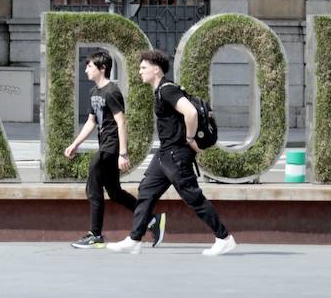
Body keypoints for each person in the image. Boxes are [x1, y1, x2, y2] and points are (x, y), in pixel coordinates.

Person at [108, 49, 236, 257]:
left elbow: (191, 112)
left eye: (143, 68)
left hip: (177, 154)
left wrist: (190, 138)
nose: (139, 71)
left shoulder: (167, 89)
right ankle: (134, 239)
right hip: (164, 154)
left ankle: (224, 238)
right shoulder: (160, 90)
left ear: (156, 69)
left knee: (193, 197)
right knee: (146, 191)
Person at [64, 50, 163, 249]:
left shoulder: (112, 91)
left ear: (102, 68)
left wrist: (123, 153)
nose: (86, 70)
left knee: (93, 185)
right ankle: (151, 220)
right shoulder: (94, 93)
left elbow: (121, 123)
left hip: (112, 147)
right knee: (115, 192)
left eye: (90, 66)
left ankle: (95, 234)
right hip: (105, 145)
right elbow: (91, 122)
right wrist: (75, 144)